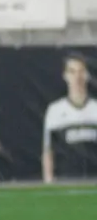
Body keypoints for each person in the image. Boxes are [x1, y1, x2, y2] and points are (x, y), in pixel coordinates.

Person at [41, 52, 97, 183]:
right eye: (72, 72)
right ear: (65, 76)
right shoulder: (55, 110)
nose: (77, 77)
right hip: (66, 182)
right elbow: (48, 150)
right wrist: (49, 182)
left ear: (87, 75)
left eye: (81, 71)